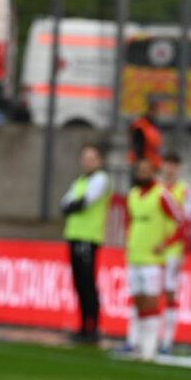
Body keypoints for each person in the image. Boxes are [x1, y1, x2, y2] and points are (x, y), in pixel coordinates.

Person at [125, 158, 186, 361]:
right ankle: (139, 345)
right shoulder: (133, 194)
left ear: (153, 172)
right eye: (140, 169)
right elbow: (129, 221)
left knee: (152, 301)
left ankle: (150, 349)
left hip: (153, 258)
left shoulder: (162, 194)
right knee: (139, 301)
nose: (142, 173)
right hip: (135, 256)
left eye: (146, 170)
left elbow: (181, 221)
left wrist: (166, 243)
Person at [60, 143, 111, 343]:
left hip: (89, 237)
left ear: (100, 161)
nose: (88, 162)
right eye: (85, 158)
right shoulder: (80, 180)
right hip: (74, 235)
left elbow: (83, 202)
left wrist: (73, 205)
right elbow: (65, 204)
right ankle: (82, 326)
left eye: (92, 158)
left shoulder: (101, 179)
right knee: (79, 282)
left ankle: (93, 327)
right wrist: (73, 204)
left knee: (88, 282)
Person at [158, 152, 191, 354]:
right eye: (167, 164)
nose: (170, 169)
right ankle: (151, 338)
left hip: (172, 249)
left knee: (170, 293)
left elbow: (187, 222)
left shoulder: (185, 190)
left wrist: (181, 249)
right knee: (151, 294)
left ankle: (167, 340)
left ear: (179, 168)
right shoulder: (156, 188)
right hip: (153, 248)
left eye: (173, 165)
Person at [128, 98, 164, 171]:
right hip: (143, 163)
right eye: (156, 111)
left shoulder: (153, 125)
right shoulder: (140, 125)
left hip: (152, 162)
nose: (158, 114)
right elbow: (138, 147)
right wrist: (142, 162)